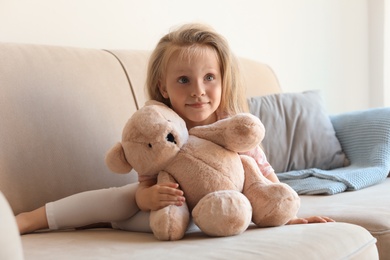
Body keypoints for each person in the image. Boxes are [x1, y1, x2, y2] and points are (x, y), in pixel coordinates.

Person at [16, 23, 333, 235]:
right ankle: (35, 218)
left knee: (232, 213)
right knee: (122, 200)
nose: (198, 90)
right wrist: (149, 197)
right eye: (184, 80)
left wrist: (287, 216)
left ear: (223, 81)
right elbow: (144, 185)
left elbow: (263, 176)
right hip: (173, 207)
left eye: (209, 78)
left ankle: (107, 221)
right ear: (163, 87)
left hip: (220, 206)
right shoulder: (159, 127)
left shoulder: (231, 126)